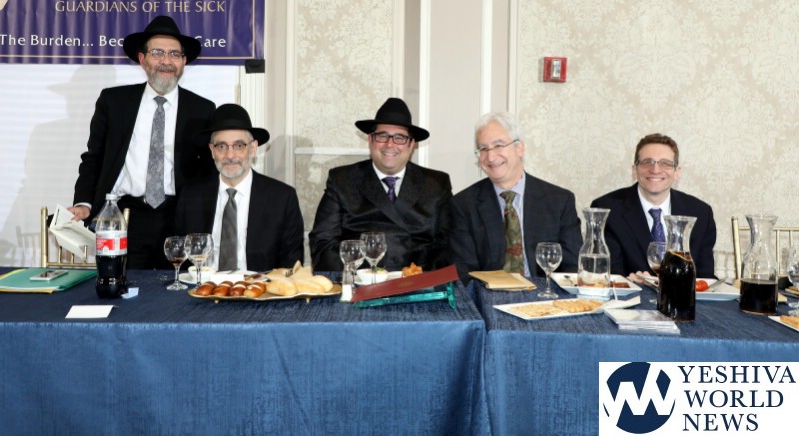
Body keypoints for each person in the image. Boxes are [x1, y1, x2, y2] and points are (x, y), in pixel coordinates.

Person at [68, 15, 216, 269]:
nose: (166, 61)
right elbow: (93, 158)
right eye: (157, 53)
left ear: (183, 62)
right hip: (126, 217)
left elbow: (208, 171)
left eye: (174, 54)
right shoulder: (114, 102)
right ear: (142, 59)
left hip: (180, 218)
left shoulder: (202, 110)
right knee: (122, 286)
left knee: (179, 287)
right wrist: (84, 203)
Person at [309, 97, 452, 272]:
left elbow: (449, 244)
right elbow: (322, 243)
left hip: (418, 281)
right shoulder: (342, 180)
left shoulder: (436, 183)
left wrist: (420, 276)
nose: (389, 144)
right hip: (360, 280)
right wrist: (367, 272)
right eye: (382, 136)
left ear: (412, 144)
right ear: (370, 140)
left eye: (399, 137)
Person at [449, 112, 582, 283]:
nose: (491, 157)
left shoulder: (559, 201)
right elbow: (464, 273)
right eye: (483, 149)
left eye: (498, 145)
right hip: (490, 295)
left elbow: (572, 268)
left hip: (545, 295)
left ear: (520, 148)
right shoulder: (463, 205)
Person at [174, 104, 304, 271]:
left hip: (259, 285)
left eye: (239, 146)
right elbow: (179, 259)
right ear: (212, 151)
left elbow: (292, 265)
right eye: (221, 146)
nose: (230, 155)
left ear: (253, 148)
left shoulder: (282, 198)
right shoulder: (190, 196)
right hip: (202, 285)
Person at [590, 133, 717, 278]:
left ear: (676, 172)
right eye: (647, 162)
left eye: (665, 163)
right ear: (634, 170)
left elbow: (705, 277)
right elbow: (608, 273)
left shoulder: (700, 213)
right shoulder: (607, 210)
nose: (655, 170)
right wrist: (629, 283)